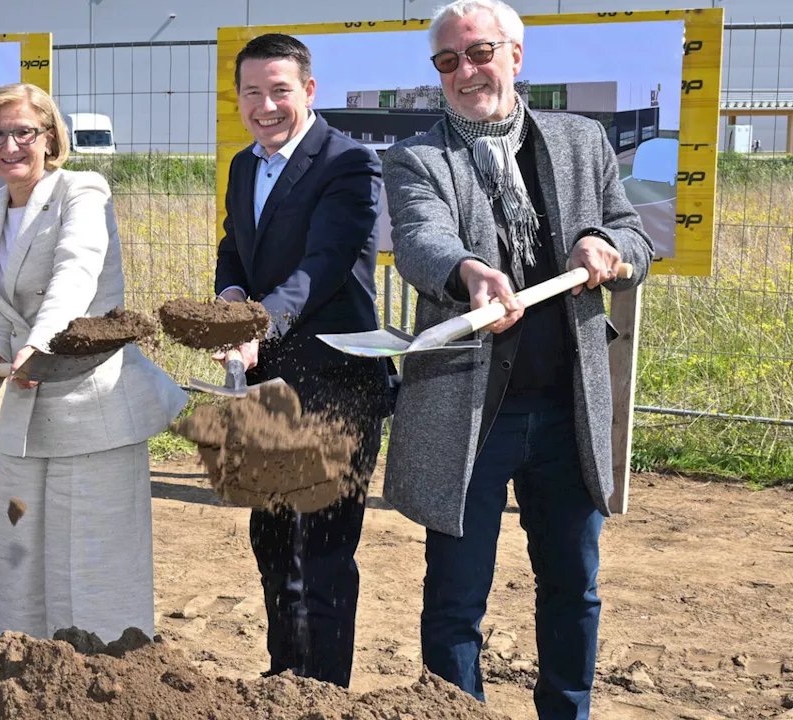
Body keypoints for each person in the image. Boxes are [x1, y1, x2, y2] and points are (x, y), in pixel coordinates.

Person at [380, 1, 653, 717]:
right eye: (448, 61)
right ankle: (458, 711)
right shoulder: (419, 157)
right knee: (454, 599)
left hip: (567, 411)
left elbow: (633, 234)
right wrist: (471, 271)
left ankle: (568, 709)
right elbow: (419, 238)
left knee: (572, 586)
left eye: (480, 53)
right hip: (470, 417)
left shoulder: (581, 141)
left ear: (517, 56)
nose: (466, 71)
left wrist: (606, 245)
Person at [0, 83, 187, 644]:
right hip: (26, 407)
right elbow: (4, 303)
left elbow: (75, 271)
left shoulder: (82, 191)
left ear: (50, 138)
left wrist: (37, 344)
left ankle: (106, 675)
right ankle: (18, 664)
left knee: (92, 554)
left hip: (94, 405)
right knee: (18, 543)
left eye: (25, 132)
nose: (11, 145)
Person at [213, 33, 393, 688]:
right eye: (252, 92)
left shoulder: (346, 164)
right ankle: (284, 683)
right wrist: (230, 294)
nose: (266, 106)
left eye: (280, 90)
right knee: (272, 539)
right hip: (268, 382)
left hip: (337, 384)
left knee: (323, 552)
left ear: (309, 92)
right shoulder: (241, 166)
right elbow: (237, 248)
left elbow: (320, 268)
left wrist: (258, 322)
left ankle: (324, 695)